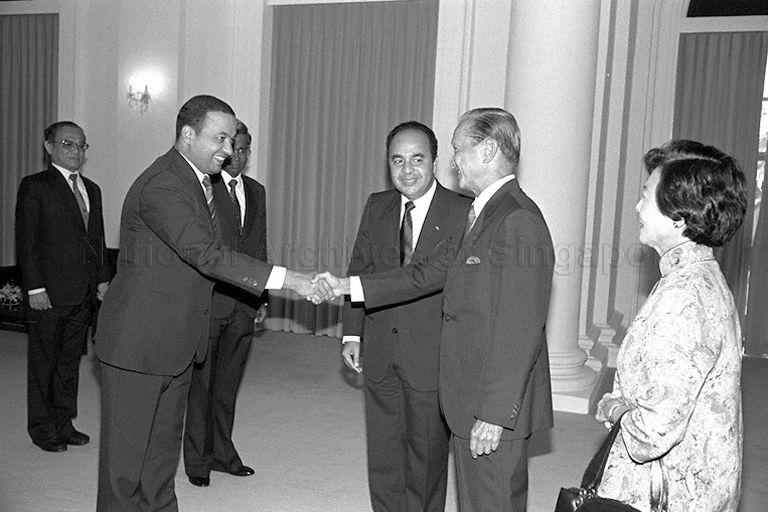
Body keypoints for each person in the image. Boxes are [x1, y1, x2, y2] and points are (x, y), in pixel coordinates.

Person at [94, 95, 328, 511]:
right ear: (187, 135)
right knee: (125, 468)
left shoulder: (199, 182)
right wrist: (291, 279)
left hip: (178, 340)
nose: (227, 149)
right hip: (138, 343)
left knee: (161, 459)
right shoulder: (164, 183)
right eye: (219, 138)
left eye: (232, 138)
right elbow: (206, 253)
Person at [317, 108, 555, 512]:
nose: (454, 160)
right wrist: (347, 286)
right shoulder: (485, 211)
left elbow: (520, 330)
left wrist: (495, 414)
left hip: (489, 404)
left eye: (459, 150)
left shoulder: (516, 219)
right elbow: (423, 275)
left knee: (491, 501)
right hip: (468, 393)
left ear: (488, 150)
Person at [595, 140, 746, 512]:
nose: (637, 207)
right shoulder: (698, 275)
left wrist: (614, 408)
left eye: (646, 196)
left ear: (679, 218)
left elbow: (652, 432)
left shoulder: (684, 297)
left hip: (671, 496)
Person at [341, 121, 471, 511]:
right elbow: (359, 267)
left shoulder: (462, 211)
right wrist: (352, 334)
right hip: (380, 347)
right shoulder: (376, 205)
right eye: (398, 160)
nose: (408, 170)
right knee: (383, 452)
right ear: (388, 163)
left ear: (435, 162)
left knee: (427, 455)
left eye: (418, 159)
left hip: (431, 352)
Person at [15, 121, 110, 453]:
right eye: (68, 144)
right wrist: (34, 288)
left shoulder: (92, 189)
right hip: (48, 293)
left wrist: (102, 280)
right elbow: (27, 242)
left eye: (81, 146)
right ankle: (42, 428)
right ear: (49, 147)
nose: (75, 151)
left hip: (82, 292)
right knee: (44, 362)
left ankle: (64, 422)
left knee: (70, 362)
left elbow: (96, 240)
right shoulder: (35, 186)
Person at [183, 120, 268, 487]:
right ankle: (197, 461)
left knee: (228, 383)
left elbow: (258, 247)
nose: (240, 155)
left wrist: (260, 296)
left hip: (244, 304)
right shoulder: (204, 186)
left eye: (247, 149)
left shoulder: (257, 190)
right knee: (201, 386)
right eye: (234, 147)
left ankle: (222, 453)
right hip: (211, 299)